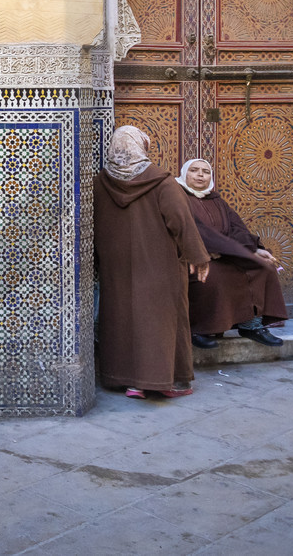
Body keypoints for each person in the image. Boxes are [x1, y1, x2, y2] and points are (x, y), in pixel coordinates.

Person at [94, 125, 213, 399]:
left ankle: (128, 380)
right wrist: (198, 256)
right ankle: (163, 382)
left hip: (117, 269)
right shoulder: (161, 181)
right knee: (161, 319)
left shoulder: (100, 183)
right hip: (160, 265)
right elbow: (181, 222)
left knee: (122, 319)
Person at [177, 158, 288, 348]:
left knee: (263, 268)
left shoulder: (217, 201)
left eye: (206, 172)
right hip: (195, 257)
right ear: (184, 174)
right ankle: (199, 329)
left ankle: (251, 325)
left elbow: (236, 228)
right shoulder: (177, 198)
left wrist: (255, 249)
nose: (200, 175)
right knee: (214, 277)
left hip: (225, 254)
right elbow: (188, 230)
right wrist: (204, 251)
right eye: (194, 170)